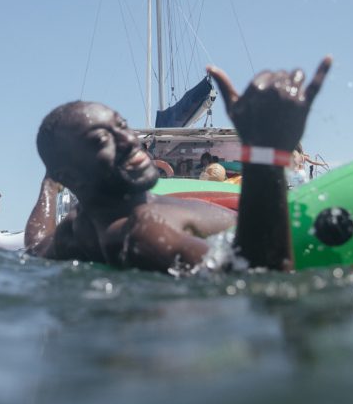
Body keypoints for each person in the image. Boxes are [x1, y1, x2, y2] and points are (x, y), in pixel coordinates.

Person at [25, 56, 332, 273]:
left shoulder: (76, 228)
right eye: (102, 139)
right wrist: (265, 151)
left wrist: (49, 187)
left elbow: (37, 245)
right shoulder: (145, 232)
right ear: (71, 174)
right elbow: (258, 274)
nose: (130, 140)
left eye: (123, 125)